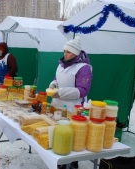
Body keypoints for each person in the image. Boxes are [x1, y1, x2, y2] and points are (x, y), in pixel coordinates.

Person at [49, 37, 93, 169]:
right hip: (56, 105)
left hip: (73, 109)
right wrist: (54, 83)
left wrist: (61, 92)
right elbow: (58, 78)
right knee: (58, 135)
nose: (65, 54)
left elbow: (82, 91)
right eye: (64, 51)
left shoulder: (84, 68)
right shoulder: (61, 64)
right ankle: (58, 161)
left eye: (68, 52)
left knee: (71, 138)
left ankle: (72, 164)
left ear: (76, 53)